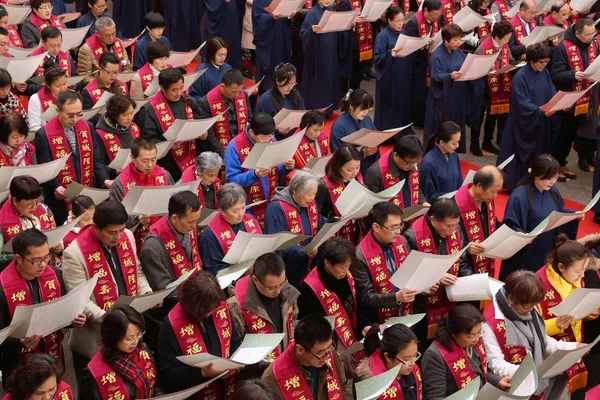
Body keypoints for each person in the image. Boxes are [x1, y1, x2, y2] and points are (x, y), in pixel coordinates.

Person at [62, 200, 153, 383]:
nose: (118, 237)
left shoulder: (127, 236)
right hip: (97, 337)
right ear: (96, 227)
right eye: (112, 232)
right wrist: (113, 321)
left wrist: (146, 293)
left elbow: (136, 271)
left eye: (121, 230)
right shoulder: (75, 253)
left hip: (128, 334)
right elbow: (80, 299)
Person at [482, 270, 586, 399]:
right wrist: (527, 372)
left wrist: (571, 348)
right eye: (528, 306)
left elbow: (542, 340)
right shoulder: (490, 324)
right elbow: (495, 363)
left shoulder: (528, 306)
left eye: (534, 305)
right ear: (510, 299)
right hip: (513, 385)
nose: (532, 310)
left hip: (535, 379)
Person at [0, 229, 86, 382]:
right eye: (36, 260)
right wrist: (19, 341)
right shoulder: (2, 287)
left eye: (46, 257)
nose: (43, 264)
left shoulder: (54, 274)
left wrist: (74, 320)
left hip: (52, 358)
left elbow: (64, 309)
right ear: (19, 258)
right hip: (18, 366)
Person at [157, 270, 243, 395]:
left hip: (229, 388)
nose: (211, 312)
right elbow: (167, 373)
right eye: (207, 310)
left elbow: (234, 342)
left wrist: (236, 362)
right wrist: (201, 373)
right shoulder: (171, 325)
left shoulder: (218, 308)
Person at [500, 155, 581, 281]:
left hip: (547, 248)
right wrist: (522, 235)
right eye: (549, 178)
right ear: (537, 175)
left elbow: (559, 211)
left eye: (555, 177)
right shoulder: (519, 196)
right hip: (527, 250)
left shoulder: (553, 192)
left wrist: (574, 214)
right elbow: (510, 223)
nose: (553, 182)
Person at [34, 91, 108, 225]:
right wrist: (56, 186)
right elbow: (46, 169)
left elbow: (96, 159)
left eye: (79, 114)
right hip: (60, 199)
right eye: (70, 115)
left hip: (86, 191)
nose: (75, 119)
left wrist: (105, 179)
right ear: (58, 110)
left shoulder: (88, 127)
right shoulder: (43, 135)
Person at [403, 198, 470, 338]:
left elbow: (461, 261)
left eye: (455, 225)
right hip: (423, 304)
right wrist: (434, 276)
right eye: (449, 226)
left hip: (451, 297)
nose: (452, 230)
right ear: (433, 220)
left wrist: (470, 280)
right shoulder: (411, 237)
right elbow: (407, 274)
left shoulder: (456, 229)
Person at [298, 237, 365, 376]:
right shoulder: (310, 289)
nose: (346, 271)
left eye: (348, 267)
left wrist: (364, 325)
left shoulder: (346, 275)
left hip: (352, 336)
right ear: (327, 263)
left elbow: (356, 304)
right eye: (342, 267)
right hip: (330, 348)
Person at [536, 235, 594, 395]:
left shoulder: (576, 278)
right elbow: (531, 328)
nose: (582, 276)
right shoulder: (538, 286)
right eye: (577, 271)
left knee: (558, 388)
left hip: (572, 347)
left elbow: (578, 314)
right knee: (542, 391)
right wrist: (556, 324)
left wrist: (591, 313)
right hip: (547, 353)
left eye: (584, 271)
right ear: (561, 267)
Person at [137, 68, 218, 181]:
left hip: (192, 161)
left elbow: (201, 121)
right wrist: (167, 145)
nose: (179, 93)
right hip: (168, 166)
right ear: (162, 88)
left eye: (181, 88)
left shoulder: (188, 100)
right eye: (174, 90)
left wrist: (203, 133)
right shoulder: (149, 110)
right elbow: (148, 142)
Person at [497, 44, 558, 191]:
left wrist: (558, 103)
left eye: (546, 62)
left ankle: (534, 183)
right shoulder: (521, 76)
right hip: (522, 122)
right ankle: (513, 184)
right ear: (531, 61)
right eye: (541, 62)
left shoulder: (545, 73)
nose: (544, 65)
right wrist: (539, 111)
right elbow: (521, 102)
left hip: (539, 120)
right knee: (517, 157)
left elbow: (552, 92)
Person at [422, 304, 510, 398]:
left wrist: (497, 381)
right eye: (471, 336)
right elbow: (435, 397)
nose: (476, 339)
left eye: (479, 332)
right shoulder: (435, 355)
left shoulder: (474, 342)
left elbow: (480, 372)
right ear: (454, 333)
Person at [353, 202, 417, 325]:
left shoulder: (402, 241)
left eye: (400, 226)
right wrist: (396, 298)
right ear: (376, 227)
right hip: (379, 320)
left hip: (407, 312)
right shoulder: (360, 255)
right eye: (393, 228)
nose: (398, 231)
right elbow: (366, 297)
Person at [225, 113, 295, 225]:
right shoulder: (234, 147)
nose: (267, 140)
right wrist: (255, 175)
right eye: (263, 137)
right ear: (252, 132)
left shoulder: (271, 139)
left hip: (272, 199)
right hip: (248, 206)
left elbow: (277, 169)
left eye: (269, 136)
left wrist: (286, 167)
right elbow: (231, 181)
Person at [262, 314, 353, 399]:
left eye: (330, 346)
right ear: (300, 350)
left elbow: (342, 387)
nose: (327, 356)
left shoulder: (329, 352)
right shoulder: (273, 377)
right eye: (320, 352)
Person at [551, 18, 598, 179]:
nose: (591, 37)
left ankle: (562, 163)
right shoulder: (562, 48)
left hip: (583, 98)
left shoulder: (593, 44)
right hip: (567, 99)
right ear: (577, 33)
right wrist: (573, 75)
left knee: (571, 135)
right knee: (560, 135)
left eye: (594, 33)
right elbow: (555, 75)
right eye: (588, 34)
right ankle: (553, 167)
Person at [81, 305, 159, 399]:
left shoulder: (142, 349)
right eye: (129, 339)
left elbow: (155, 386)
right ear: (113, 337)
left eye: (138, 335)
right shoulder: (93, 375)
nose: (135, 342)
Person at [228, 253, 299, 356]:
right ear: (255, 280)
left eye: (281, 284)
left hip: (285, 359)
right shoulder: (236, 306)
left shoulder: (287, 291)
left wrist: (293, 340)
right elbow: (235, 346)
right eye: (271, 288)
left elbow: (292, 320)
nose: (278, 291)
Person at [109, 138, 174, 250]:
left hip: (165, 235)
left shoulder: (164, 175)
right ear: (133, 158)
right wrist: (137, 219)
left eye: (154, 160)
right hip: (137, 240)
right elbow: (115, 218)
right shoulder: (120, 183)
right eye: (145, 161)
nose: (150, 165)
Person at [265, 170, 324, 287]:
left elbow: (320, 224)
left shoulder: (310, 203)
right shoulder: (276, 208)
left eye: (314, 194)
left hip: (311, 263)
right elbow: (277, 242)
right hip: (288, 268)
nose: (312, 198)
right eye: (309, 194)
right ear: (295, 191)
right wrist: (302, 251)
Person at [141, 191, 202, 292]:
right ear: (174, 218)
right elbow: (164, 289)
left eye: (196, 220)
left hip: (194, 290)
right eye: (190, 222)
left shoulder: (188, 228)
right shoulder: (152, 247)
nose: (194, 226)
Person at [199, 183, 263, 275]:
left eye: (243, 207)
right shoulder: (210, 234)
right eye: (235, 211)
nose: (241, 214)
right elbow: (213, 269)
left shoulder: (250, 220)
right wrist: (242, 271)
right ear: (222, 210)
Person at [424, 24, 470, 151]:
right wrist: (449, 76)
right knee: (440, 126)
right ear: (446, 40)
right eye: (455, 40)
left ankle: (453, 148)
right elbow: (435, 76)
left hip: (455, 94)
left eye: (459, 39)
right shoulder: (436, 55)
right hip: (441, 97)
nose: (458, 43)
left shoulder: (459, 52)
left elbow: (466, 64)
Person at [300, 0, 351, 112]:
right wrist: (311, 30)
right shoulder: (312, 13)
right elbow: (303, 34)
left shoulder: (331, 10)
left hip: (332, 52)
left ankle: (329, 107)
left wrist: (348, 26)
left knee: (331, 78)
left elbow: (339, 30)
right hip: (319, 54)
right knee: (320, 81)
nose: (328, 0)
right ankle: (317, 109)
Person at [473, 20, 515, 155]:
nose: (507, 42)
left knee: (493, 118)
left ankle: (487, 141)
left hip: (499, 87)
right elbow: (475, 68)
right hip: (484, 87)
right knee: (478, 118)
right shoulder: (483, 48)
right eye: (506, 38)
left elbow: (511, 59)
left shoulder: (505, 47)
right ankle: (474, 143)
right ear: (497, 36)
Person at [0, 176, 60, 267]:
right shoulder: (2, 220)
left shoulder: (44, 209)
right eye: (30, 204)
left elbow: (54, 231)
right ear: (15, 200)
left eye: (38, 201)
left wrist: (58, 247)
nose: (35, 206)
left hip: (48, 264)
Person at [455, 166, 503, 276]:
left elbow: (491, 223)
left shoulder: (487, 200)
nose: (495, 196)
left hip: (486, 259)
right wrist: (466, 247)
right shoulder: (456, 205)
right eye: (493, 191)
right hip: (465, 266)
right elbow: (447, 239)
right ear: (479, 186)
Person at [358, 323, 422, 400]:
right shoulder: (370, 386)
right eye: (406, 359)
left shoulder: (412, 373)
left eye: (415, 355)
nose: (413, 363)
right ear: (388, 357)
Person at [374, 7, 413, 131]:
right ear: (390, 21)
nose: (401, 24)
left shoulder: (404, 34)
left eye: (402, 20)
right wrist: (390, 54)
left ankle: (402, 129)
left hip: (402, 75)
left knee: (402, 103)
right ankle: (388, 131)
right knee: (389, 106)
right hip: (389, 78)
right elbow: (377, 58)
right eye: (398, 21)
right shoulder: (383, 36)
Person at [196, 68, 252, 154]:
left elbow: (249, 118)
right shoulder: (206, 102)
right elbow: (211, 135)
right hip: (219, 149)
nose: (237, 95)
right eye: (233, 92)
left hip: (241, 144)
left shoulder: (243, 95)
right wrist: (223, 153)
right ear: (223, 86)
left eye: (238, 91)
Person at [405, 0, 442, 128]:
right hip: (417, 62)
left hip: (429, 57)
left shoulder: (435, 19)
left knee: (426, 91)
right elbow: (408, 47)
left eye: (438, 14)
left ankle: (423, 119)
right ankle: (414, 120)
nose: (436, 17)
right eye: (434, 14)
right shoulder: (414, 23)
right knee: (416, 92)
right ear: (425, 10)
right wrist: (422, 44)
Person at [315, 144, 361, 244]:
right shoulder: (323, 185)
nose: (354, 173)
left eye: (357, 167)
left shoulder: (358, 179)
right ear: (338, 167)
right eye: (349, 169)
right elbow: (316, 215)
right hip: (334, 236)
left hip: (355, 229)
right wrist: (331, 220)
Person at [365, 134, 426, 208]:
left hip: (412, 214)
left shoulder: (413, 162)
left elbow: (416, 188)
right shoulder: (375, 172)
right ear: (396, 155)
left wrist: (423, 202)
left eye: (415, 161)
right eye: (408, 162)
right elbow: (373, 206)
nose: (413, 166)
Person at [330, 89, 378, 176]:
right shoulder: (339, 126)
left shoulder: (367, 119)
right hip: (350, 170)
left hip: (368, 164)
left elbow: (374, 135)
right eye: (362, 109)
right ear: (351, 106)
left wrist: (374, 146)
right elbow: (338, 153)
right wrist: (363, 153)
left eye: (368, 109)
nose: (365, 112)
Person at [255, 63, 305, 139]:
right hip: (274, 139)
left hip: (294, 135)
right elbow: (260, 124)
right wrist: (277, 131)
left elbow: (302, 112)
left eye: (293, 84)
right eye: (287, 84)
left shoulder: (295, 94)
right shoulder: (266, 99)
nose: (290, 87)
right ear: (277, 81)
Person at [78, 17, 133, 85]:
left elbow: (126, 66)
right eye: (107, 35)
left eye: (113, 33)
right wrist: (106, 84)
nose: (111, 38)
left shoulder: (119, 43)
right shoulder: (86, 49)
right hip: (99, 88)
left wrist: (120, 82)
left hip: (119, 85)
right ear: (97, 33)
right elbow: (84, 77)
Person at [253, 0, 292, 94]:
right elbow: (258, 18)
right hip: (267, 41)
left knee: (282, 68)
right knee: (267, 79)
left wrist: (290, 16)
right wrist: (271, 17)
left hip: (281, 39)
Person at [420, 121, 464, 202]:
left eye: (458, 142)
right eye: (454, 143)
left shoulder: (454, 155)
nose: (457, 146)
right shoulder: (428, 163)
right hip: (441, 207)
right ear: (442, 142)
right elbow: (428, 194)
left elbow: (459, 180)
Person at [94, 95, 140, 172]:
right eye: (125, 115)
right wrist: (114, 171)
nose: (130, 118)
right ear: (114, 115)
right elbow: (98, 164)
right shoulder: (100, 134)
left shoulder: (134, 126)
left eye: (132, 113)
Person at [3, 354, 74, 399]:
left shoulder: (64, 390)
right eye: (39, 393)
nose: (47, 397)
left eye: (51, 389)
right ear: (25, 389)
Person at [202, 0, 245, 69]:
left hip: (232, 13)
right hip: (216, 10)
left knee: (230, 41)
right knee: (214, 43)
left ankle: (230, 70)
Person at [189, 37, 233, 102]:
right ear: (212, 54)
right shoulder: (201, 71)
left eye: (225, 54)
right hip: (209, 107)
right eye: (220, 55)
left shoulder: (227, 68)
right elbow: (194, 96)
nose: (223, 58)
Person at [27, 63, 69, 132]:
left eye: (65, 83)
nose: (63, 88)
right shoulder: (36, 99)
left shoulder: (72, 94)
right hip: (48, 136)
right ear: (48, 85)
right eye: (58, 86)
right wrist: (57, 130)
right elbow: (33, 128)